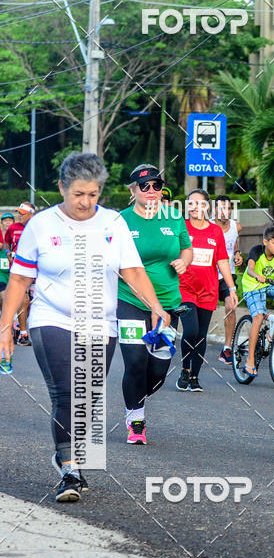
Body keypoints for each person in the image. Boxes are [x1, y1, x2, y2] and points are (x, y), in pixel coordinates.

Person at [0, 152, 169, 502]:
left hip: (100, 320)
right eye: (78, 194)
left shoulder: (113, 223)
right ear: (62, 188)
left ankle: (69, 454)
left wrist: (156, 307)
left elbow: (132, 271)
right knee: (67, 392)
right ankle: (69, 468)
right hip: (52, 318)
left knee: (89, 398)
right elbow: (19, 280)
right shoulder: (41, 225)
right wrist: (5, 328)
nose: (85, 202)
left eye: (92, 194)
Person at [118, 164, 193, 443]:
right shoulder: (121, 221)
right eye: (144, 186)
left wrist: (184, 261)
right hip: (131, 301)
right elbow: (114, 265)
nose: (151, 191)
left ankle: (135, 396)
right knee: (135, 362)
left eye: (156, 185)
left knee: (158, 372)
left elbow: (186, 247)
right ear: (133, 190)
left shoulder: (174, 217)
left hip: (168, 304)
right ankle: (135, 419)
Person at [177, 189, 238, 391]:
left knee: (202, 335)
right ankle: (184, 370)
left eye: (199, 203)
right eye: (191, 204)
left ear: (207, 206)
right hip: (185, 289)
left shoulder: (215, 231)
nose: (194, 208)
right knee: (191, 330)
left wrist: (231, 288)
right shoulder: (181, 227)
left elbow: (222, 261)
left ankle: (195, 376)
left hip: (208, 291)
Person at [240, 224, 274, 377]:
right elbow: (250, 268)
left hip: (270, 285)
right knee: (258, 317)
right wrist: (257, 275)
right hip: (253, 286)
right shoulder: (257, 251)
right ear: (265, 242)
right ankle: (249, 361)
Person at [213, 194, 243, 364]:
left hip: (227, 275)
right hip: (209, 274)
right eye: (221, 208)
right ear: (214, 209)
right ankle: (198, 346)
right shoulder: (207, 225)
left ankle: (227, 348)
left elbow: (234, 243)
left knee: (231, 307)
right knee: (205, 311)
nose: (225, 211)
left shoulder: (236, 227)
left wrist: (237, 254)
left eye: (228, 208)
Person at [5, 202, 35, 345]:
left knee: (30, 303)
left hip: (36, 272)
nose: (19, 215)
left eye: (22, 213)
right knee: (23, 299)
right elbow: (7, 243)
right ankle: (23, 334)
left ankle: (18, 324)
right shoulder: (13, 228)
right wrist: (8, 254)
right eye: (18, 212)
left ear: (31, 214)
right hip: (19, 270)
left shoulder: (38, 228)